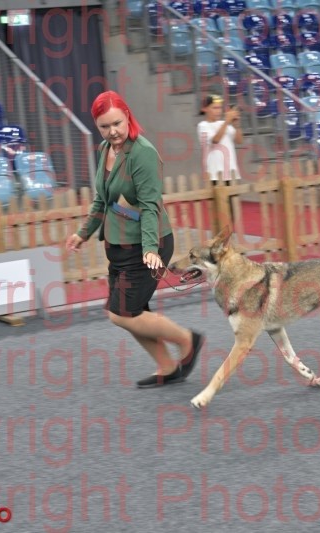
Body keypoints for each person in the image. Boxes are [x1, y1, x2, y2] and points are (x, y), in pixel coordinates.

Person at [65, 91, 204, 388]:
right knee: (132, 311)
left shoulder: (143, 153)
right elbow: (102, 199)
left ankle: (187, 340)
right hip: (118, 246)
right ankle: (167, 366)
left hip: (147, 245)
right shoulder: (105, 149)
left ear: (127, 116)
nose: (112, 131)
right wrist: (82, 233)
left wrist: (150, 250)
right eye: (104, 126)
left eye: (117, 123)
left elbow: (151, 206)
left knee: (121, 314)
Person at [198, 94, 243, 185]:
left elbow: (239, 141)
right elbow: (215, 140)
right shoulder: (203, 125)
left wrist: (236, 125)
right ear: (205, 109)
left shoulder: (224, 124)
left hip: (231, 172)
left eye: (220, 108)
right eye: (215, 108)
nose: (218, 111)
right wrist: (227, 121)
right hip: (215, 174)